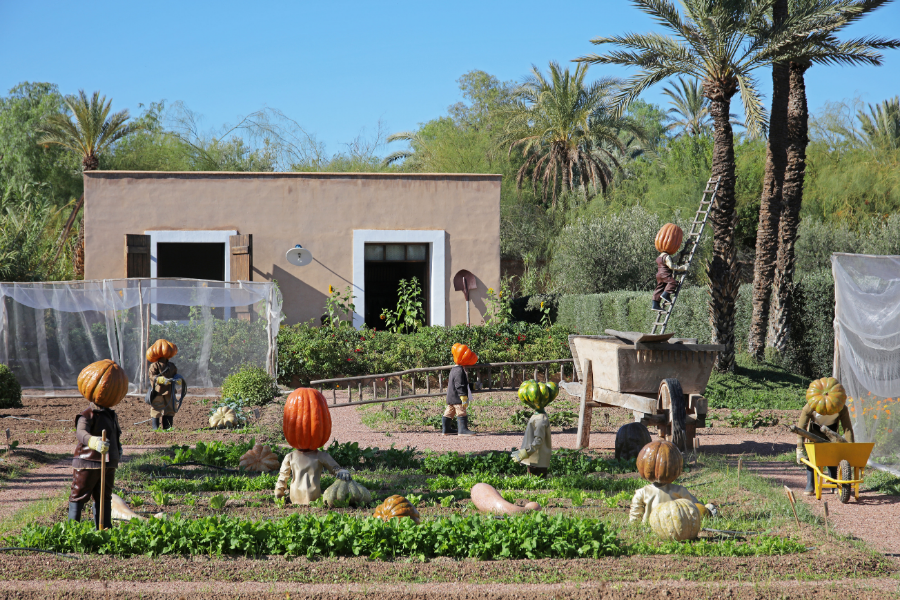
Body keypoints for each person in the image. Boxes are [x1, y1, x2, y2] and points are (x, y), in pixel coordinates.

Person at [69, 363, 125, 530]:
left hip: (108, 463)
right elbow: (81, 433)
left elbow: (116, 434)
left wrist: (118, 448)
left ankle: (103, 527)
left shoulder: (111, 415)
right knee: (79, 494)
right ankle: (72, 528)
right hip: (88, 462)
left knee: (104, 496)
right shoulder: (87, 415)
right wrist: (94, 442)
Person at [797, 391, 854, 496]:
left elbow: (847, 429)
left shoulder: (841, 408)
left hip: (831, 433)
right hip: (814, 432)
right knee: (812, 458)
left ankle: (834, 483)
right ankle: (810, 484)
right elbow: (801, 428)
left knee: (832, 455)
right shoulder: (810, 406)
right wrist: (799, 449)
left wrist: (850, 447)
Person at [443, 343, 477, 436]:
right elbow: (459, 385)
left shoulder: (454, 369)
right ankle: (463, 430)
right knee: (461, 412)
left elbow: (459, 384)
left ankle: (446, 429)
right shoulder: (459, 371)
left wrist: (471, 386)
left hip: (451, 397)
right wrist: (463, 396)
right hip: (457, 398)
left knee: (449, 412)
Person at [147, 340, 179, 430]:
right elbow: (151, 376)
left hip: (170, 391)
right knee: (156, 408)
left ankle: (168, 428)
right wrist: (159, 379)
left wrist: (178, 379)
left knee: (171, 408)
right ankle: (155, 428)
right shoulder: (154, 365)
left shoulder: (171, 366)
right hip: (158, 391)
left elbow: (175, 374)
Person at [652, 243, 688, 312]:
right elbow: (671, 266)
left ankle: (655, 304)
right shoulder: (666, 256)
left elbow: (671, 260)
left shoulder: (660, 256)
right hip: (664, 274)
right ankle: (666, 295)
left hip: (659, 275)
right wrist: (683, 267)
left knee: (659, 288)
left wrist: (679, 255)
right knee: (673, 283)